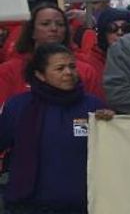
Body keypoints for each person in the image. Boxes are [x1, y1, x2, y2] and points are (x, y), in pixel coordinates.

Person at [0, 44, 114, 213]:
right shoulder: (18, 106)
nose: (68, 72)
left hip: (81, 205)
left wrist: (112, 123)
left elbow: (111, 154)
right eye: (60, 68)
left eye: (72, 67)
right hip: (27, 205)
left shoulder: (94, 107)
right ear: (40, 74)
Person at [0, 4, 105, 106]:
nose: (54, 28)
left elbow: (96, 114)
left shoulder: (86, 71)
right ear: (32, 31)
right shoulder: (8, 71)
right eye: (45, 24)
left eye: (60, 24)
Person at [76, 8, 130, 75]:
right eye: (112, 28)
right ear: (103, 33)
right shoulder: (91, 62)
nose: (120, 32)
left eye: (125, 28)